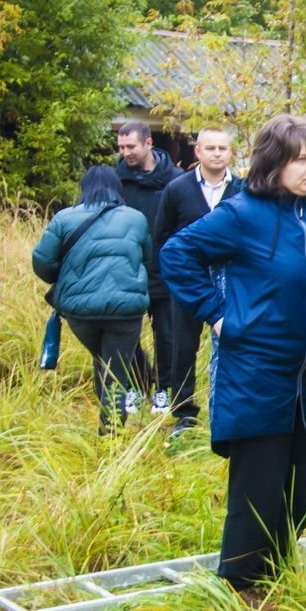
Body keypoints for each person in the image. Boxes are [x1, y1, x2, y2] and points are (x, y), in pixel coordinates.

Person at [160, 115, 306, 595]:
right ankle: (242, 587)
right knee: (258, 492)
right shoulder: (242, 214)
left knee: (297, 494)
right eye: (300, 159)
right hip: (256, 372)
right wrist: (219, 315)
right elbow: (176, 254)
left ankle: (277, 577)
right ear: (274, 162)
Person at [32, 166, 153, 434]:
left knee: (104, 362)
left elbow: (42, 262)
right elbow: (146, 260)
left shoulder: (64, 218)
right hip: (126, 310)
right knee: (116, 371)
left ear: (84, 187)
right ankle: (110, 437)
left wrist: (65, 278)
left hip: (80, 311)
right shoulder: (136, 218)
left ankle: (110, 426)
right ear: (117, 188)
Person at [154, 128, 243, 433]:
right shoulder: (177, 189)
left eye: (223, 148)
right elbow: (162, 237)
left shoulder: (243, 190)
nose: (217, 153)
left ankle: (230, 404)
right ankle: (184, 412)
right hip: (189, 281)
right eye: (211, 148)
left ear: (230, 153)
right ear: (198, 153)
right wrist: (171, 279)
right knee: (183, 345)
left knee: (234, 340)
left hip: (232, 281)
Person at [113, 121, 179, 413]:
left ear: (149, 144)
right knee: (126, 335)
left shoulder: (175, 181)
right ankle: (137, 385)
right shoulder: (116, 180)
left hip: (165, 272)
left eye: (131, 146)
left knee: (166, 336)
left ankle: (164, 389)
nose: (126, 152)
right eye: (122, 147)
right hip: (126, 272)